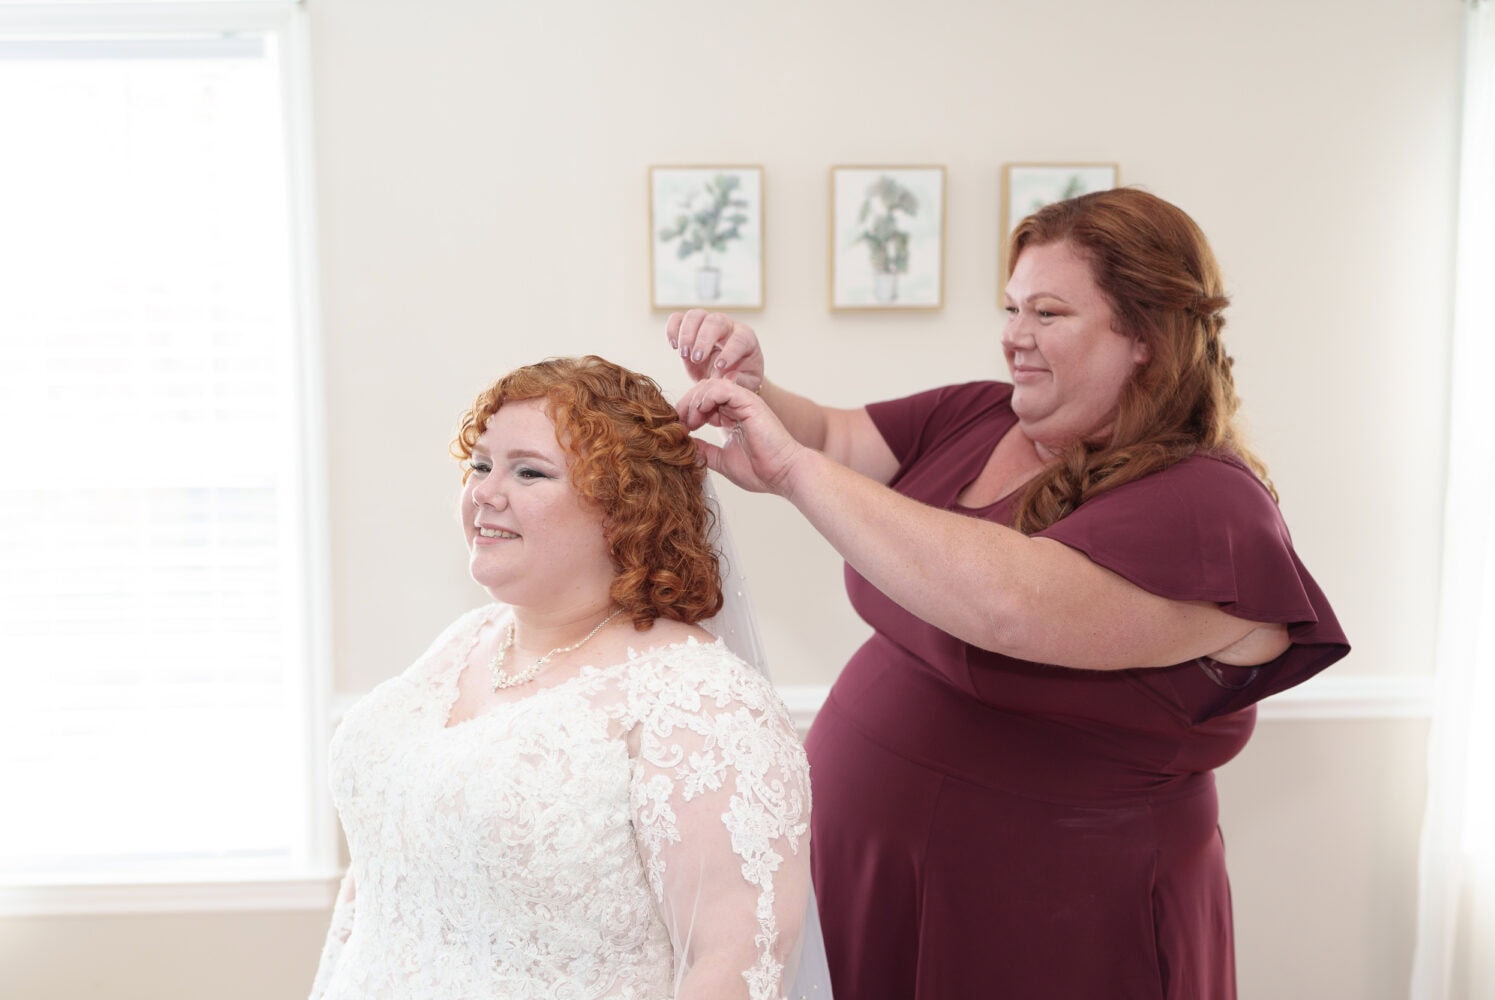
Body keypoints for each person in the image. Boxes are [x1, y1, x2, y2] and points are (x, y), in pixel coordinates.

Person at [666, 187, 1350, 1000]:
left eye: (1049, 314)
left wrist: (790, 473)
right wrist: (758, 390)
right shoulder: (982, 416)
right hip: (872, 874)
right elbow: (832, 436)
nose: (1013, 338)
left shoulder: (1209, 504)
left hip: (1047, 920)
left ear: (1145, 338)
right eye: (1011, 307)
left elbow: (1009, 607)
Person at [308, 356, 823, 1000]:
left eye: (528, 471)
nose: (486, 492)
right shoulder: (463, 643)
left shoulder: (701, 701)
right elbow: (383, 877)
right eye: (480, 465)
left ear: (623, 508)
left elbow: (735, 965)